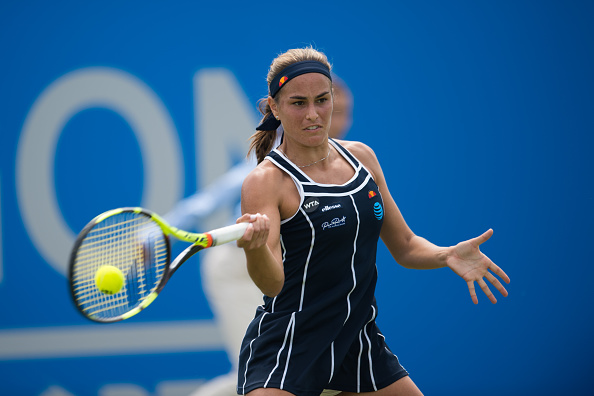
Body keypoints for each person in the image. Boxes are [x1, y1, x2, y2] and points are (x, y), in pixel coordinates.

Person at [235, 47, 510, 396]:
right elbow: (272, 285)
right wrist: (255, 250)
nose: (313, 114)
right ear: (275, 108)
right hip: (291, 342)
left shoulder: (362, 158)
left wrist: (446, 254)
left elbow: (406, 246)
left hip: (357, 339)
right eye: (298, 103)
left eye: (322, 99)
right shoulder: (266, 181)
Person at [164, 73, 354, 396]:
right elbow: (219, 194)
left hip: (282, 271)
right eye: (326, 106)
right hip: (237, 268)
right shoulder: (281, 154)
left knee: (322, 371)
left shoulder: (337, 159)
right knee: (261, 373)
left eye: (339, 109)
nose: (339, 120)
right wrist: (162, 231)